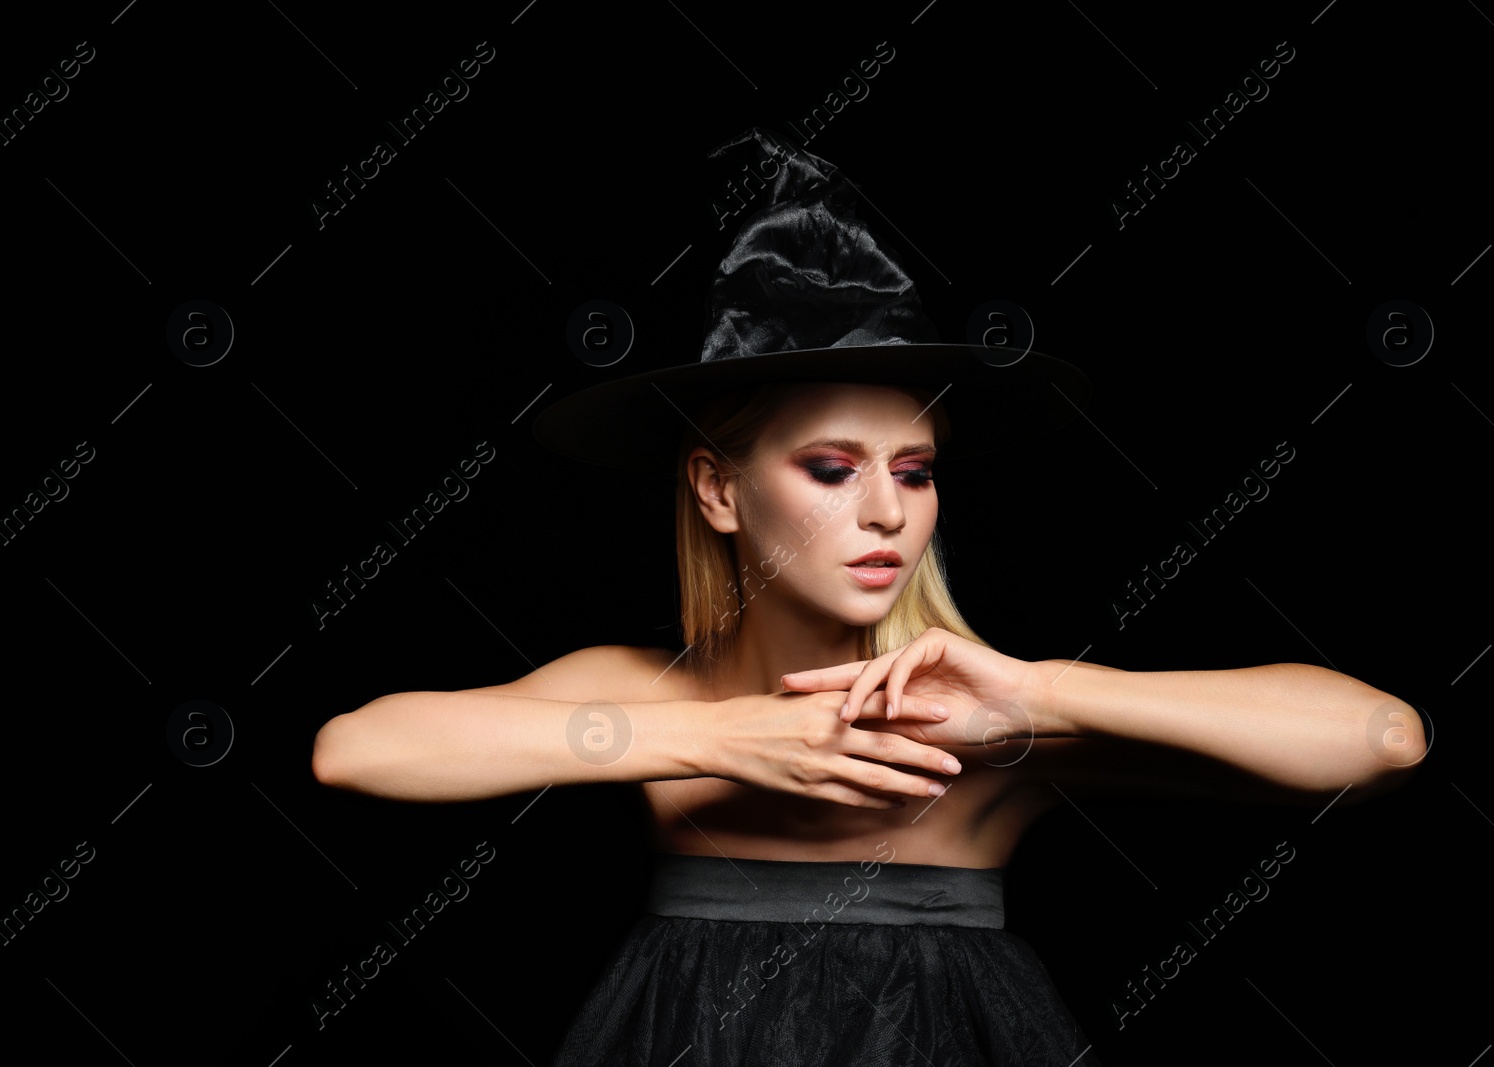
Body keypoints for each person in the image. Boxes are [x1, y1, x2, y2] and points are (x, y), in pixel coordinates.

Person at [310, 129, 1426, 1065]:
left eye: (917, 469)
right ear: (717, 489)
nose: (887, 512)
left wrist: (1040, 691)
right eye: (834, 469)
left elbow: (1382, 738)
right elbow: (356, 751)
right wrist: (719, 734)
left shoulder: (983, 732)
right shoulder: (643, 691)